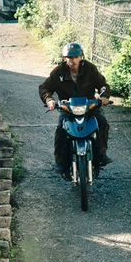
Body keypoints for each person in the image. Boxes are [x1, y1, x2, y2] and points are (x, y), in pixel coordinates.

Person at [38, 42, 112, 174]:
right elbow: (45, 88)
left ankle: (101, 154)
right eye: (69, 57)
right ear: (64, 58)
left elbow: (102, 84)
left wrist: (104, 96)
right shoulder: (58, 72)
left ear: (81, 57)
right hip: (68, 108)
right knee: (61, 130)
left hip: (89, 106)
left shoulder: (90, 69)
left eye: (76, 57)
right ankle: (60, 161)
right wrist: (49, 100)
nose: (73, 60)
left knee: (102, 123)